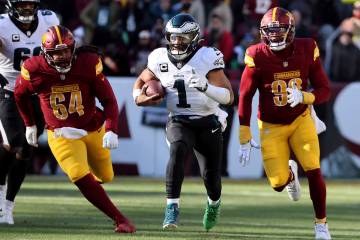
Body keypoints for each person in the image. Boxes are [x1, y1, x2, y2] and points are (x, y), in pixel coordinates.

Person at [14, 25, 135, 234]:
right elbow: (19, 94)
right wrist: (29, 123)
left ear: (74, 49)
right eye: (56, 53)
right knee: (78, 174)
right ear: (45, 53)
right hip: (61, 132)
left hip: (92, 127)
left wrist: (112, 128)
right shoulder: (34, 68)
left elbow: (108, 100)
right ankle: (120, 219)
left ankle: (92, 186)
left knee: (106, 176)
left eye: (65, 51)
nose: (61, 57)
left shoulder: (87, 63)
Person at [133, 13, 234, 231]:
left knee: (211, 178)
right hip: (179, 120)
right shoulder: (159, 57)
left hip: (208, 121)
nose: (177, 42)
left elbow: (229, 96)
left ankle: (213, 203)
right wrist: (140, 98)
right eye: (173, 37)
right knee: (177, 149)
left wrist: (206, 87)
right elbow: (141, 81)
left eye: (183, 38)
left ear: (195, 38)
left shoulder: (207, 57)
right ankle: (172, 207)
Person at [238, 7, 331, 239]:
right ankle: (290, 175)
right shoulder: (256, 54)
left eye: (279, 31)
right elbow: (244, 95)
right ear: (262, 33)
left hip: (301, 119)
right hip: (270, 125)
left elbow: (325, 89)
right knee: (277, 183)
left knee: (313, 168)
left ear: (290, 31)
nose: (274, 36)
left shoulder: (307, 48)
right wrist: (244, 134)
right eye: (270, 32)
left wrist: (306, 97)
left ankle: (321, 225)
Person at [0, 0, 59, 224]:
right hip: (9, 91)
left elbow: (62, 47)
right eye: (22, 5)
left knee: (26, 148)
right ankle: (1, 191)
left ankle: (8, 205)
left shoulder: (49, 20)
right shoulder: (3, 25)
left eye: (30, 4)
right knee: (15, 142)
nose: (27, 9)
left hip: (37, 94)